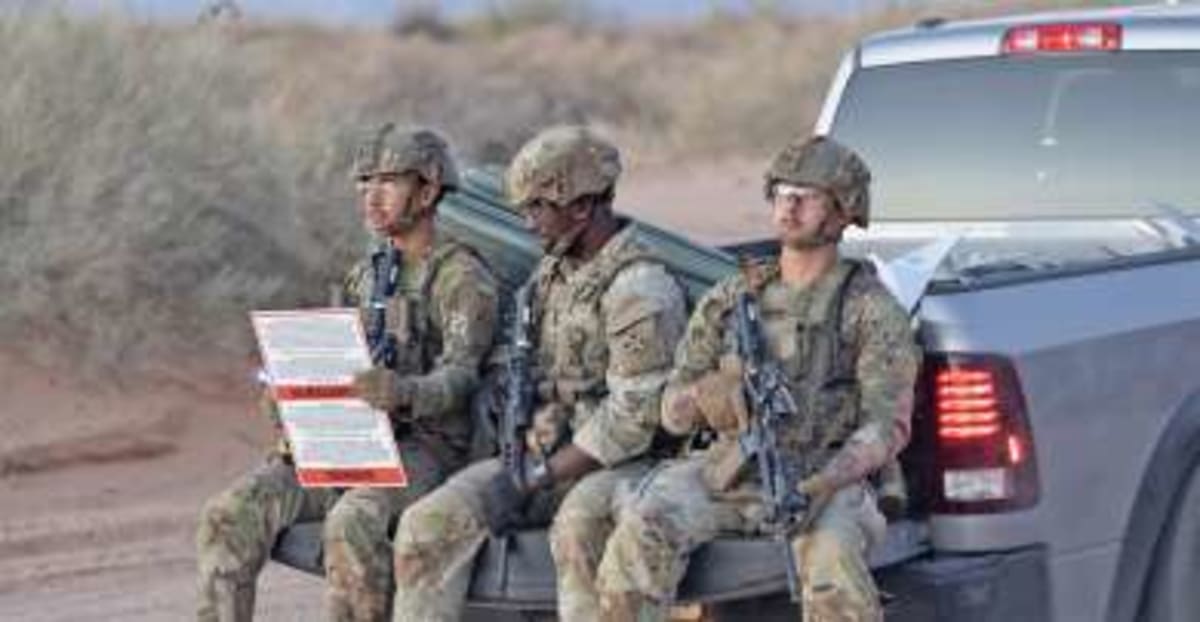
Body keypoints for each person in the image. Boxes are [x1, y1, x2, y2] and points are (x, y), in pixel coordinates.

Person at [595, 136, 921, 622]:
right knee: (639, 531)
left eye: (805, 197)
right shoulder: (732, 297)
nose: (788, 207)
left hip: (825, 477)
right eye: (781, 194)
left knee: (833, 565)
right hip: (729, 472)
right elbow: (671, 411)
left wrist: (825, 480)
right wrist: (711, 398)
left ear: (842, 211)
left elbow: (885, 427)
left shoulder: (869, 309)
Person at [195, 125, 499, 622]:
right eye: (364, 184)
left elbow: (463, 377)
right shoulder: (367, 275)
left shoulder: (462, 278)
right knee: (227, 516)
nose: (371, 197)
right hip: (347, 444)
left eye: (389, 183)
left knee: (353, 522)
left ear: (427, 191)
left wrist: (404, 392)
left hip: (425, 452)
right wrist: (291, 394)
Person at [390, 125, 688, 622]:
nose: (528, 224)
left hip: (618, 466)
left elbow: (632, 419)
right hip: (538, 457)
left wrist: (537, 478)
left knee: (578, 530)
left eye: (537, 208)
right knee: (426, 529)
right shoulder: (551, 276)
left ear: (581, 206)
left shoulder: (640, 289)